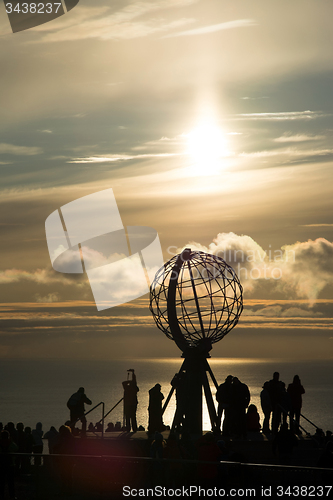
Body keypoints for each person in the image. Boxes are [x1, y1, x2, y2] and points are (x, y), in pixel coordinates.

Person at [0, 430, 18, 500]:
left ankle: (1, 495)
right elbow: (16, 448)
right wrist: (11, 441)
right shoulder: (10, 444)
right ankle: (12, 496)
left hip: (1, 465)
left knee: (1, 482)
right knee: (11, 482)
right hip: (10, 465)